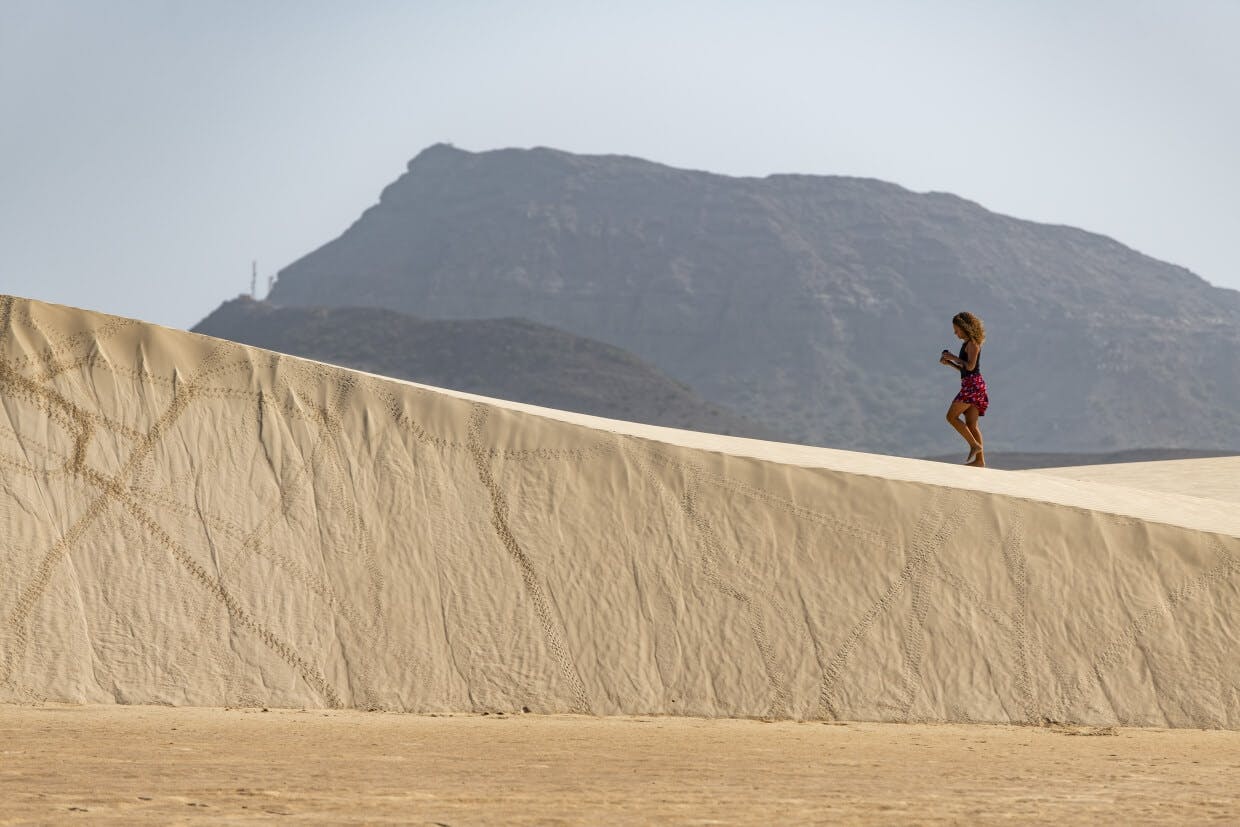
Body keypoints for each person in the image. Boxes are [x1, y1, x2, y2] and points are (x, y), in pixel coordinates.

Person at [939, 311, 988, 466]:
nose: (955, 333)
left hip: (972, 386)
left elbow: (971, 366)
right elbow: (966, 369)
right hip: (972, 384)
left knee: (951, 417)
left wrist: (953, 357)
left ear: (964, 327)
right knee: (972, 425)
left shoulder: (973, 344)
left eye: (957, 329)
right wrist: (951, 363)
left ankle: (974, 445)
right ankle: (980, 461)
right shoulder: (967, 344)